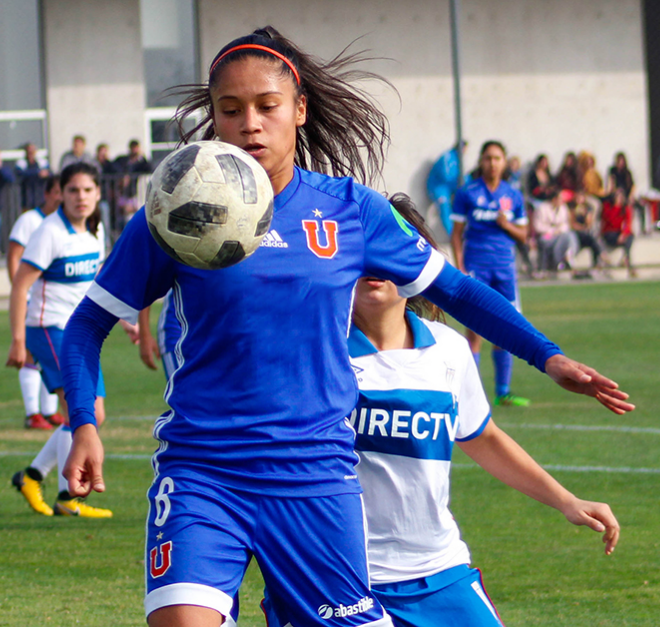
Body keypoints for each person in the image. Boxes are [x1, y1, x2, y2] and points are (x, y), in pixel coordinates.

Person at [59, 27, 631, 627]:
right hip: (204, 471)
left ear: (300, 110)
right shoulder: (176, 209)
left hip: (315, 476)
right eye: (230, 110)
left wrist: (547, 356)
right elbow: (87, 325)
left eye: (267, 106)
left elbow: (455, 289)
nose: (250, 124)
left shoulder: (350, 210)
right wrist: (84, 425)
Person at [262, 195, 619, 627]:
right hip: (335, 576)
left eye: (388, 249)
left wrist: (566, 501)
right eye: (362, 250)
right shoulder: (313, 349)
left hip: (438, 570)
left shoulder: (448, 349)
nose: (375, 262)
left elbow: (482, 437)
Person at [6, 163, 112, 518]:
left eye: (87, 190)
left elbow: (96, 280)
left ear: (98, 193)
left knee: (93, 413)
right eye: (73, 190)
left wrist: (126, 320)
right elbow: (20, 285)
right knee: (79, 411)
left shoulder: (95, 230)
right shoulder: (50, 232)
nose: (81, 197)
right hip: (49, 329)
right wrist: (18, 340)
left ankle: (32, 477)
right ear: (60, 194)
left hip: (80, 330)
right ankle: (68, 497)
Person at [451, 140, 532, 407]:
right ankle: (471, 396)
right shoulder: (467, 193)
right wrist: (460, 266)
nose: (492, 163)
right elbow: (456, 234)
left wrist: (507, 225)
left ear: (505, 162)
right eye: (488, 158)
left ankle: (503, 392)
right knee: (475, 329)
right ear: (481, 161)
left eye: (497, 158)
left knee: (505, 327)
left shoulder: (513, 195)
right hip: (477, 265)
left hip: (505, 269)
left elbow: (524, 234)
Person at [7, 176, 64, 430]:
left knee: (51, 355)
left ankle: (50, 411)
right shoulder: (30, 220)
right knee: (31, 353)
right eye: (57, 192)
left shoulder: (64, 224)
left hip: (56, 302)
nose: (61, 198)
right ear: (47, 194)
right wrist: (20, 289)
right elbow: (14, 256)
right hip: (33, 299)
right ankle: (32, 413)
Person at [533, 190, 578, 276]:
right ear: (554, 199)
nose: (562, 201)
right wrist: (553, 231)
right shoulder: (542, 208)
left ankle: (568, 256)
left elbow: (566, 224)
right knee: (564, 238)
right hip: (546, 235)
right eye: (560, 199)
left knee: (569, 236)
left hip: (560, 234)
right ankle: (561, 260)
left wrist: (559, 230)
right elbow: (538, 226)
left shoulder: (563, 208)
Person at [426, 141, 466, 234]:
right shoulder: (447, 157)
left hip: (447, 189)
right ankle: (452, 235)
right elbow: (446, 175)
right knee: (445, 209)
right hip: (438, 188)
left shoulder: (457, 158)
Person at [113, 139, 153, 224]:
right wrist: (123, 177)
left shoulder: (142, 162)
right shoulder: (124, 160)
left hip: (136, 192)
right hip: (124, 193)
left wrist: (142, 157)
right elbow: (114, 167)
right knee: (125, 215)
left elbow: (149, 168)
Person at [600, 188, 636, 278]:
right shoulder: (607, 207)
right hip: (609, 232)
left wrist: (623, 234)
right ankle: (629, 263)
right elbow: (610, 222)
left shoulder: (625, 209)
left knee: (630, 237)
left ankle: (626, 258)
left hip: (620, 233)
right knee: (621, 239)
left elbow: (628, 224)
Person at [569, 190, 604, 272]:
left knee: (592, 239)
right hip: (576, 232)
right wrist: (582, 227)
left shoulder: (587, 209)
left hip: (585, 233)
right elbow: (572, 224)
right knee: (592, 238)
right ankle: (602, 254)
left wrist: (586, 215)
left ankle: (596, 262)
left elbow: (589, 224)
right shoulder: (572, 209)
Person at [15, 142, 51, 211]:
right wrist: (38, 173)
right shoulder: (21, 163)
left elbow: (50, 174)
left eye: (32, 151)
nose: (31, 153)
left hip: (40, 198)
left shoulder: (42, 162)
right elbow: (20, 175)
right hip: (27, 199)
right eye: (29, 152)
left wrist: (46, 174)